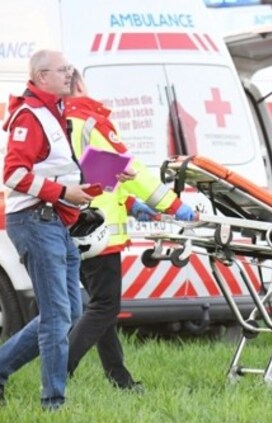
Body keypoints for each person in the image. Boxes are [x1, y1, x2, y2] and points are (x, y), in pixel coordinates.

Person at [0, 50, 94, 410]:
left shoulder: (53, 110)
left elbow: (57, 167)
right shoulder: (30, 115)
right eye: (63, 70)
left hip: (54, 219)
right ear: (41, 76)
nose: (70, 74)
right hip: (36, 220)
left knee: (68, 313)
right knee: (58, 315)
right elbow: (12, 174)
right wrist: (63, 192)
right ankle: (53, 403)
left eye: (70, 68)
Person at [64, 69, 195, 391]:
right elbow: (127, 169)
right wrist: (173, 205)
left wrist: (132, 202)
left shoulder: (59, 124)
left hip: (73, 225)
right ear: (80, 84)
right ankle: (59, 371)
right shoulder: (92, 121)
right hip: (100, 232)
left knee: (100, 307)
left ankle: (119, 379)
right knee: (104, 306)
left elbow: (101, 174)